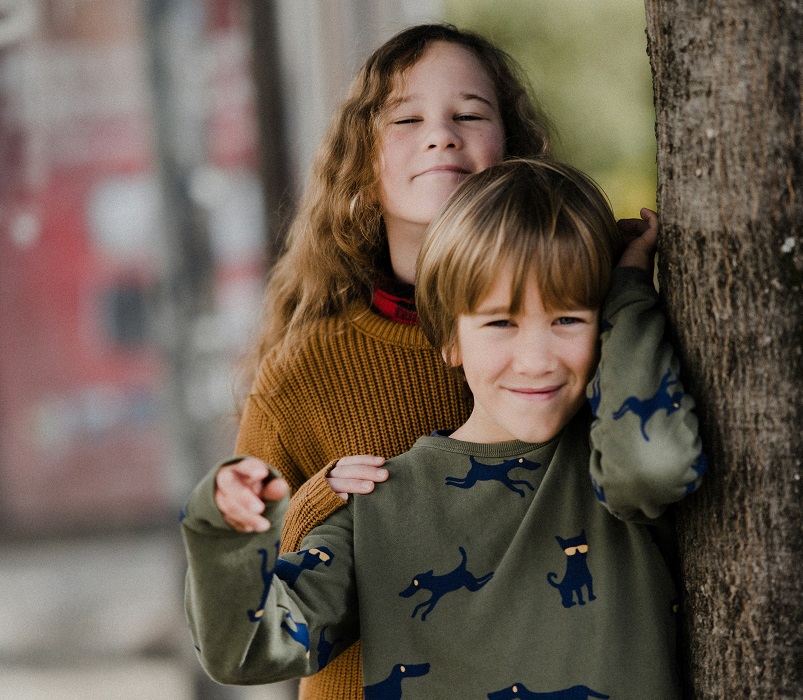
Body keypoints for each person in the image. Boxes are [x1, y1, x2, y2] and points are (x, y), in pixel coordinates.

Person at [183, 159, 706, 697]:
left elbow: (657, 463)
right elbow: (245, 651)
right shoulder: (379, 508)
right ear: (450, 338)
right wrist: (222, 526)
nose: (536, 358)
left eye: (568, 319)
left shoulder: (608, 465)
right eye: (501, 322)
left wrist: (629, 289)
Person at [217, 24, 552, 698]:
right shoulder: (304, 371)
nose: (442, 134)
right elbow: (241, 601)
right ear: (362, 165)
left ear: (511, 150)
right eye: (407, 118)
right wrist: (321, 499)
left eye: (469, 114)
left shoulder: (568, 332)